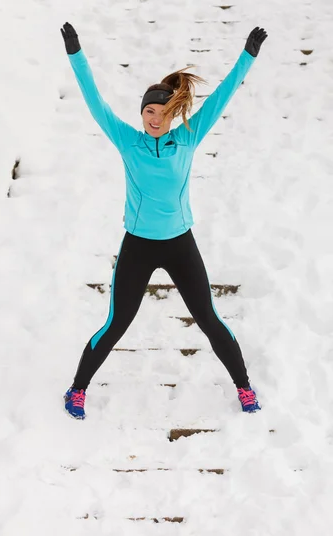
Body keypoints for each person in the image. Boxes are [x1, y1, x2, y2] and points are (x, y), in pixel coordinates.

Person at [60, 22, 268, 420]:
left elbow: (222, 97)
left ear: (175, 115)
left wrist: (248, 56)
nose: (155, 119)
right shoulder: (128, 141)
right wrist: (76, 54)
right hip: (138, 243)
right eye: (149, 111)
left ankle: (243, 385)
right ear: (142, 113)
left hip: (179, 243)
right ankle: (77, 389)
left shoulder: (188, 138)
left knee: (208, 317)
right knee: (117, 322)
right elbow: (94, 100)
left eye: (163, 112)